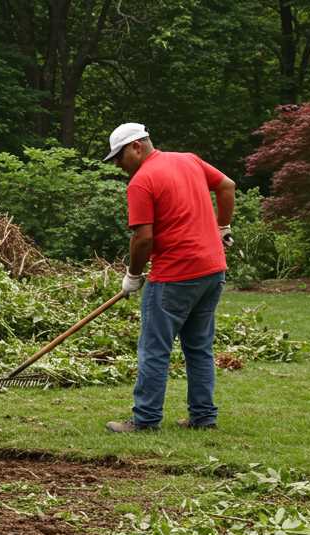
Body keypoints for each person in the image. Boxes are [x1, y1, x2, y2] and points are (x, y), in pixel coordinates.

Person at [101, 122, 235, 433]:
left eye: (119, 157)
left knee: (154, 349)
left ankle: (146, 420)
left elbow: (143, 239)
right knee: (199, 347)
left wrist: (133, 275)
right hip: (212, 270)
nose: (118, 164)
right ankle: (203, 417)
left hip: (175, 275)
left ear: (136, 146)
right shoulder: (189, 160)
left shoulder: (141, 181)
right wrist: (223, 226)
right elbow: (227, 185)